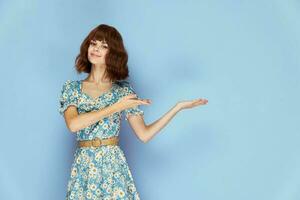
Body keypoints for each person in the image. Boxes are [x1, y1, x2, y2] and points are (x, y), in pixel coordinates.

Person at [58, 24, 208, 200]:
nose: (96, 49)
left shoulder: (123, 91)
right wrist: (116, 107)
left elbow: (144, 135)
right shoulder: (72, 88)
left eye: (104, 46)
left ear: (113, 53)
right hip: (84, 164)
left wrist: (178, 107)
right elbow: (73, 124)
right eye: (93, 43)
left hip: (112, 166)